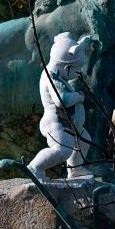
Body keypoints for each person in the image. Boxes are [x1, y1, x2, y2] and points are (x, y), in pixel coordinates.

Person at [27, 32, 95, 181]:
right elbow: (61, 100)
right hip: (56, 123)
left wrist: (82, 45)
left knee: (84, 139)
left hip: (69, 123)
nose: (79, 72)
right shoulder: (52, 77)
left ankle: (75, 169)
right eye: (77, 69)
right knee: (62, 150)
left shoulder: (58, 72)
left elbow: (69, 53)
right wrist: (79, 96)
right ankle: (34, 168)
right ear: (67, 67)